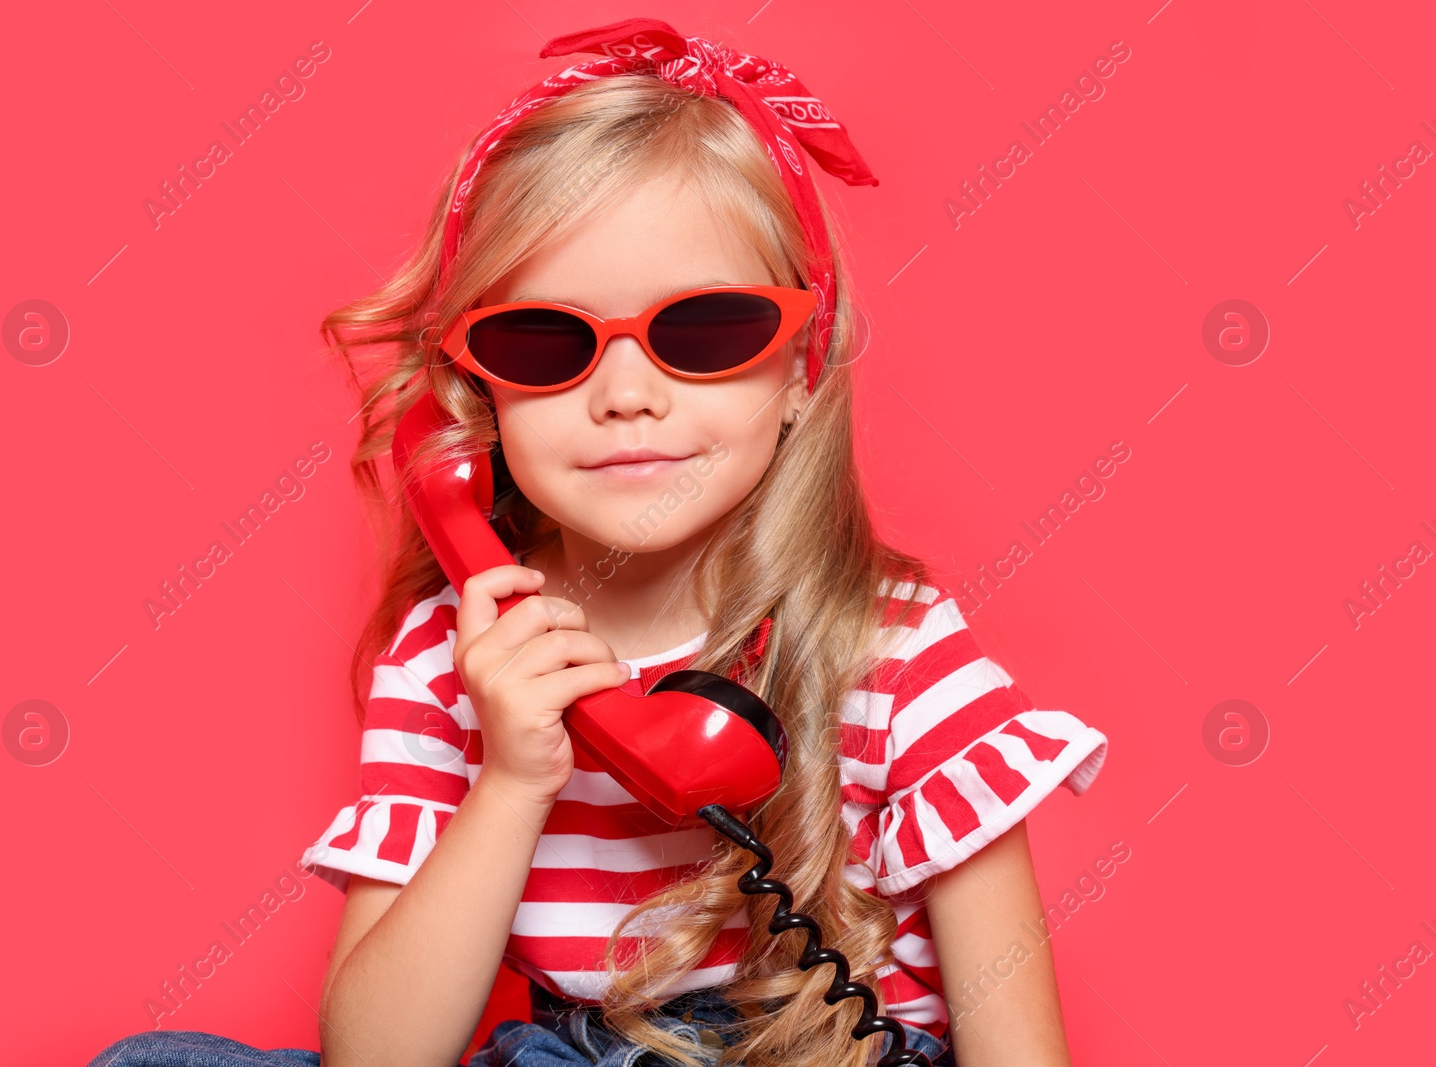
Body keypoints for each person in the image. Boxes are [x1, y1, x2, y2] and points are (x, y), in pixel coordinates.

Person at [86, 17, 1107, 1067]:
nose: (626, 396)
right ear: (477, 399)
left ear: (800, 370)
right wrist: (512, 778)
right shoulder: (449, 659)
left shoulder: (892, 648)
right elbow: (377, 1056)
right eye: (546, 341)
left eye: (703, 330)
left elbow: (1018, 1046)